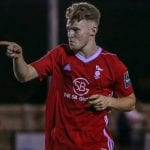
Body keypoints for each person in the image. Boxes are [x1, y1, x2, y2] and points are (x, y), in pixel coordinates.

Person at [0, 2, 136, 150]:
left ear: (93, 30)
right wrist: (18, 58)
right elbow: (24, 75)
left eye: (75, 30)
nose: (70, 34)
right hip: (59, 145)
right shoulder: (59, 55)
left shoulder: (113, 64)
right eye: (68, 29)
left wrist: (109, 101)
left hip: (96, 144)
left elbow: (130, 102)